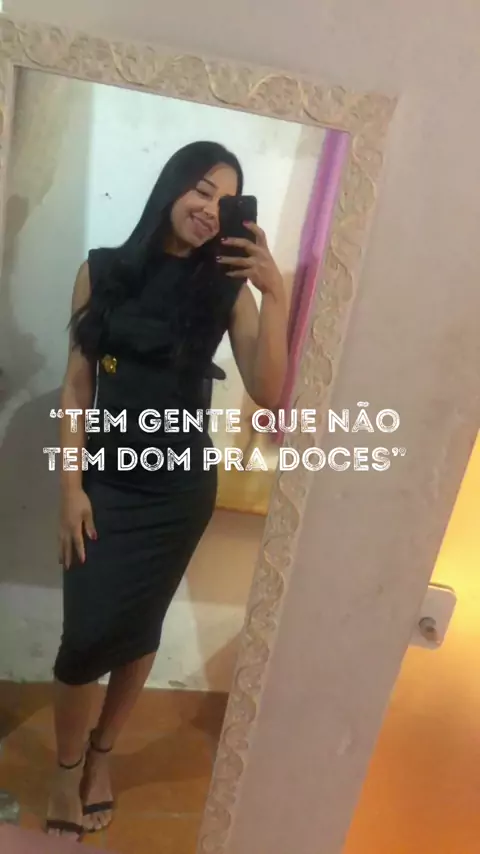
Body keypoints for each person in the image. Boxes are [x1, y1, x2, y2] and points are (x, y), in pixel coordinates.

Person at [45, 141, 288, 840]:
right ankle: (64, 769)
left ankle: (101, 757)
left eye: (226, 201)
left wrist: (276, 294)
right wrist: (70, 489)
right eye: (202, 190)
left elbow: (268, 390)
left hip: (179, 493)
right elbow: (77, 388)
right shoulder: (102, 271)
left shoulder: (227, 289)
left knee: (139, 631)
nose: (211, 210)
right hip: (103, 484)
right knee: (83, 640)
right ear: (173, 186)